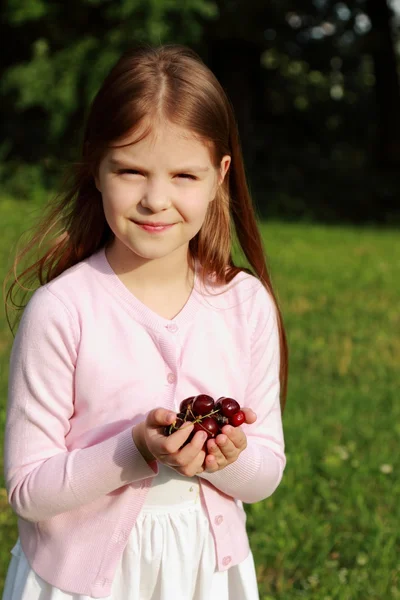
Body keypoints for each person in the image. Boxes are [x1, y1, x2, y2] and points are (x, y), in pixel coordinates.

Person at [2, 44, 288, 600]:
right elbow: (27, 488)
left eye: (185, 174)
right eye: (131, 171)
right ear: (97, 169)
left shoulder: (244, 304)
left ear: (219, 175)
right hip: (81, 581)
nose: (156, 199)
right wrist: (136, 449)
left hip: (201, 571)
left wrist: (224, 457)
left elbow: (265, 474)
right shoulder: (62, 311)